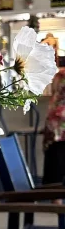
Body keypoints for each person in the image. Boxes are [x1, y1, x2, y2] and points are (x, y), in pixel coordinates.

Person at [43, 55, 65, 185]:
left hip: (55, 126)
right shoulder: (61, 75)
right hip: (60, 126)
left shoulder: (60, 75)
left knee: (54, 172)